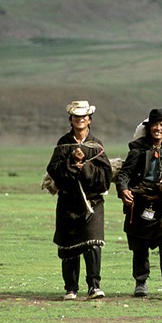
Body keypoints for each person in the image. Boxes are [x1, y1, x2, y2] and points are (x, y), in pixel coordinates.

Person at [116, 108, 162, 298]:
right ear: (149, 128)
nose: (158, 128)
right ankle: (141, 282)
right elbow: (124, 174)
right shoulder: (138, 150)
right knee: (140, 242)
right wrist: (123, 190)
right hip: (141, 199)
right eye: (155, 125)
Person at [46, 100, 112, 300]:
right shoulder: (63, 144)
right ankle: (71, 288)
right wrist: (71, 162)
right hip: (68, 203)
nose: (80, 119)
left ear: (89, 119)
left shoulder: (96, 145)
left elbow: (105, 178)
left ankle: (94, 286)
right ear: (71, 119)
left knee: (93, 244)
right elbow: (53, 170)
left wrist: (85, 167)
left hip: (92, 204)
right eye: (76, 116)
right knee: (69, 247)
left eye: (84, 116)